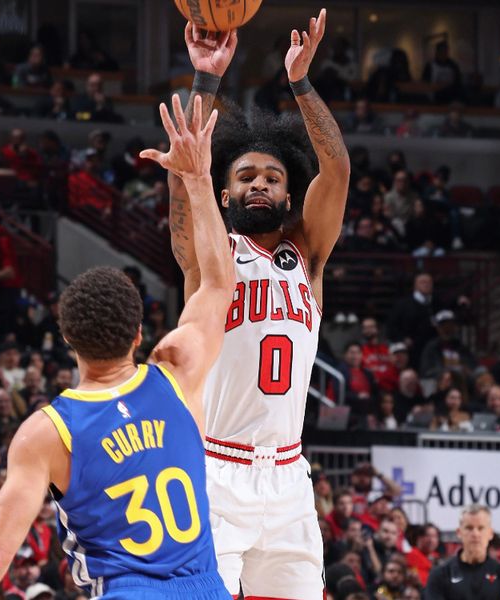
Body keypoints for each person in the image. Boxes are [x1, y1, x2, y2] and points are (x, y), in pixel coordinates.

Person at [0, 93, 234, 599]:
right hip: (208, 589)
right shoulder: (177, 371)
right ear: (140, 335)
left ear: (67, 340)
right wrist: (198, 178)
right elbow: (217, 283)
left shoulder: (47, 432)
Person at [163, 10, 350, 599]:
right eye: (245, 176)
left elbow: (338, 168)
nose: (260, 184)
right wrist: (206, 80)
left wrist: (301, 82)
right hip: (217, 471)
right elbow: (187, 169)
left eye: (272, 176)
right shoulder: (212, 259)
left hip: (291, 477)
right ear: (224, 191)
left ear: (289, 191)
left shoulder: (309, 257)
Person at [425, 504, 500, 599]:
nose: (475, 534)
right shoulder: (440, 574)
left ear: (490, 533)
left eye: (481, 528)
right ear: (459, 533)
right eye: (469, 528)